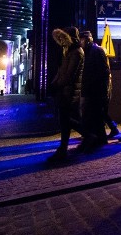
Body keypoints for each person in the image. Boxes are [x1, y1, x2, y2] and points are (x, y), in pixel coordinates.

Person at [48, 27, 96, 163]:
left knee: (66, 120)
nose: (61, 42)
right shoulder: (69, 51)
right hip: (66, 90)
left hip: (70, 91)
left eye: (63, 38)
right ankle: (65, 148)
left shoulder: (76, 52)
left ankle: (86, 136)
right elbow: (61, 72)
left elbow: (69, 75)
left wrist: (56, 85)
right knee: (65, 120)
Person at [79, 31, 112, 150]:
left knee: (92, 116)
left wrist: (102, 90)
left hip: (95, 90)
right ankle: (101, 139)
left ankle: (94, 140)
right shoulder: (86, 52)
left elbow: (105, 71)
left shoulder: (97, 51)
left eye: (82, 39)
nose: (81, 42)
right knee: (95, 116)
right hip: (90, 89)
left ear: (88, 39)